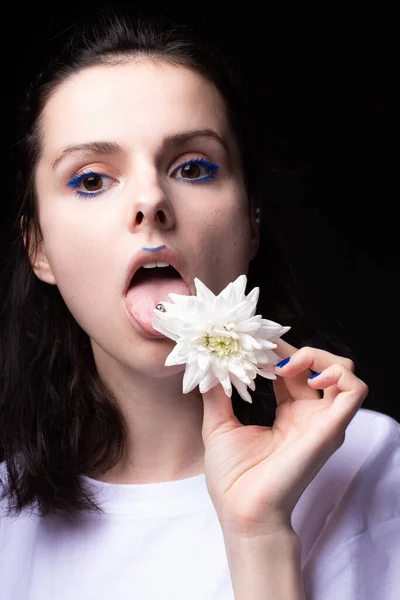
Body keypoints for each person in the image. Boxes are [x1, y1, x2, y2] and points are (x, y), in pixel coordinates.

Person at [0, 9, 398, 600]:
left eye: (193, 167)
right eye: (90, 179)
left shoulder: (369, 466)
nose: (151, 201)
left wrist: (258, 533)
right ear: (40, 249)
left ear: (252, 223)